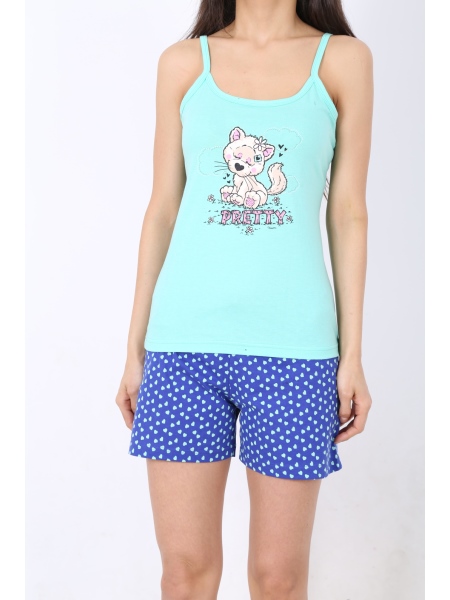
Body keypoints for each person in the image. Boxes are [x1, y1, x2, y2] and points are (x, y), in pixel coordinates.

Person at [116, 0, 373, 597]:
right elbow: (162, 210)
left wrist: (353, 355)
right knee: (186, 572)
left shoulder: (342, 61)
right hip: (183, 350)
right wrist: (134, 347)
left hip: (296, 354)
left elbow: (349, 213)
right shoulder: (184, 63)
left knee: (278, 579)